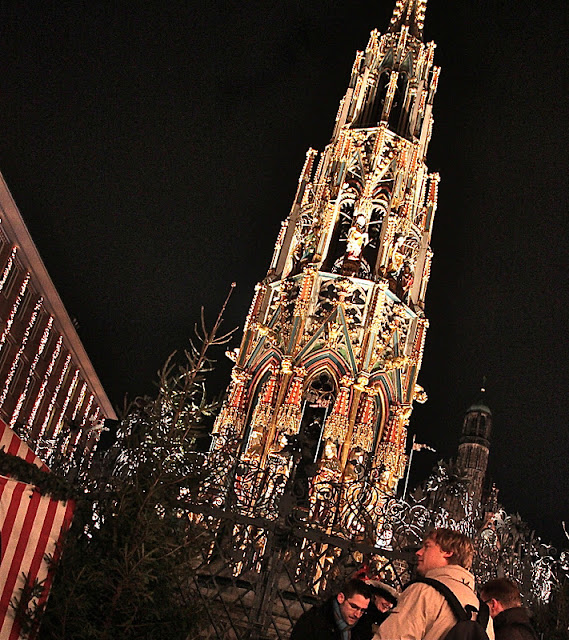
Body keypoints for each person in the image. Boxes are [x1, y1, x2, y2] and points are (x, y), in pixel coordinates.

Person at [374, 528, 494, 640]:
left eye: (427, 546)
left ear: (448, 552)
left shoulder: (424, 592)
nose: (419, 552)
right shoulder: (484, 614)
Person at [291, 578, 372, 640]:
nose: (357, 614)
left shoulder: (362, 628)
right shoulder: (313, 621)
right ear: (341, 598)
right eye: (354, 607)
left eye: (362, 610)